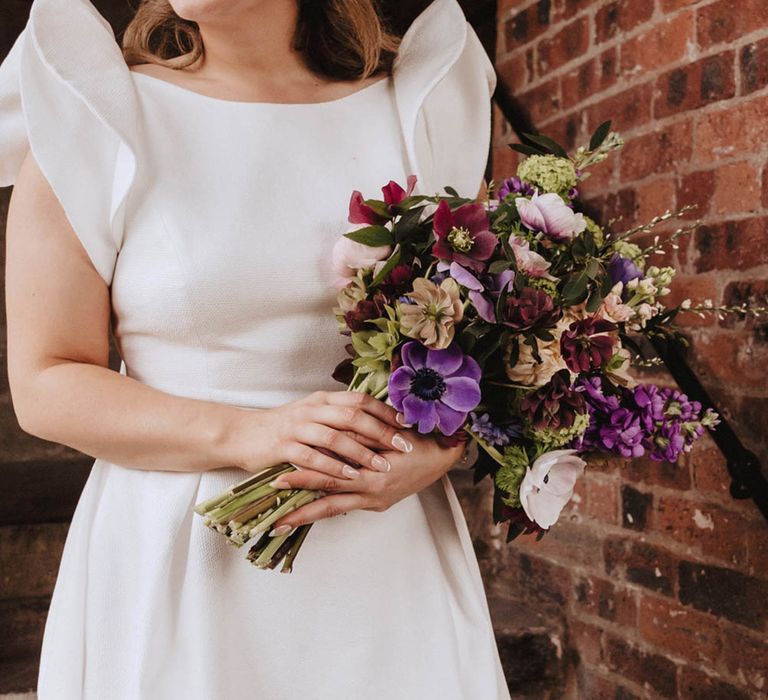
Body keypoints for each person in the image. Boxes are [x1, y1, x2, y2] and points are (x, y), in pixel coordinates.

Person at [0, 0, 509, 697]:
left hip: (384, 560)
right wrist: (250, 433)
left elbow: (480, 351)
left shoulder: (420, 110)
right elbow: (45, 381)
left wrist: (431, 454)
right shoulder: (98, 114)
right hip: (185, 557)